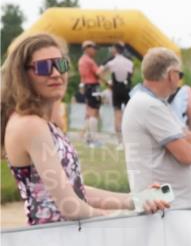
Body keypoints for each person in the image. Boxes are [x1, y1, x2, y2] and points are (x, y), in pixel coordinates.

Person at [1, 33, 169, 225]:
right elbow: (71, 207)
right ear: (22, 75)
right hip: (52, 244)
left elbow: (74, 190)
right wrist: (129, 218)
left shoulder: (38, 122)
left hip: (61, 239)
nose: (56, 73)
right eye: (44, 67)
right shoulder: (30, 125)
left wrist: (136, 199)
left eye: (61, 64)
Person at [122, 48, 191, 207]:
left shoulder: (154, 103)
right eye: (180, 75)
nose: (179, 80)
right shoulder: (150, 106)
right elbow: (187, 156)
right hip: (166, 208)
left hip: (167, 206)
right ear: (171, 74)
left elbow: (186, 135)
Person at [101, 42, 134, 141]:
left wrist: (107, 83)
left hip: (116, 88)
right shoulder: (129, 62)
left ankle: (119, 140)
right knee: (129, 113)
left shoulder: (112, 62)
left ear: (115, 50)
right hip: (127, 88)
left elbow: (99, 72)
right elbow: (131, 74)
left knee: (117, 114)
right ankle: (128, 139)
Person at [78, 40, 102, 146]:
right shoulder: (89, 61)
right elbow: (98, 73)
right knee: (94, 112)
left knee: (89, 113)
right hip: (93, 87)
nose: (95, 51)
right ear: (87, 48)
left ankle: (87, 137)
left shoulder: (81, 60)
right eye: (94, 48)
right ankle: (93, 139)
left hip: (86, 86)